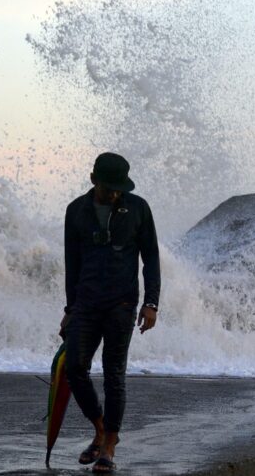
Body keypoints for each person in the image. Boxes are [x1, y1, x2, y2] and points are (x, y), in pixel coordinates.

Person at [60, 152, 160, 474]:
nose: (115, 194)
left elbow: (151, 260)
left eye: (120, 188)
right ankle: (100, 429)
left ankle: (110, 444)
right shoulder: (76, 211)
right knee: (75, 368)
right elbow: (72, 265)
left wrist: (151, 303)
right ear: (93, 180)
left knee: (113, 374)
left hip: (121, 304)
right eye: (109, 188)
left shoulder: (139, 208)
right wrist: (69, 309)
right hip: (86, 304)